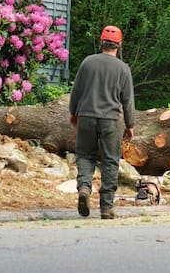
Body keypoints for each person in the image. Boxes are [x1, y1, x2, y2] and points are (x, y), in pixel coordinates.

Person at [69, 25, 135, 219]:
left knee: (84, 155)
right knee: (110, 161)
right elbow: (128, 100)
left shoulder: (87, 63)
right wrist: (130, 125)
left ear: (101, 42)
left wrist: (73, 112)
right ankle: (106, 208)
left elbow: (76, 91)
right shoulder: (123, 69)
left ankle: (84, 189)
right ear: (119, 45)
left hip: (87, 117)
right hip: (111, 120)